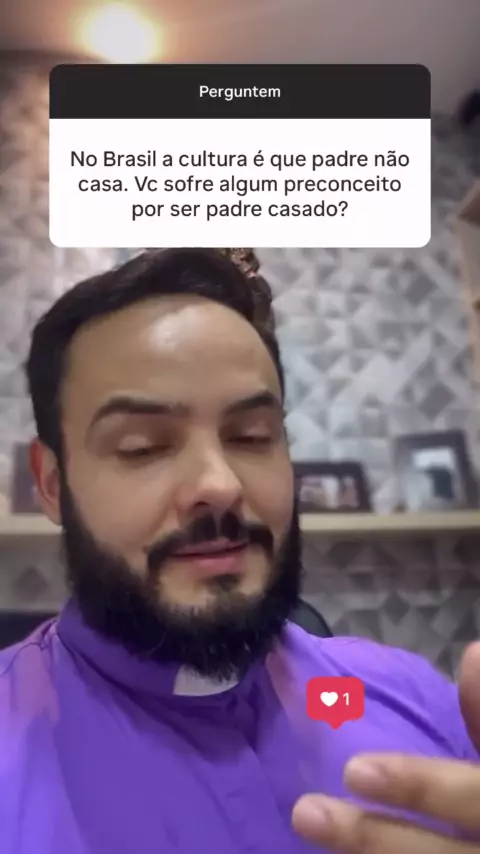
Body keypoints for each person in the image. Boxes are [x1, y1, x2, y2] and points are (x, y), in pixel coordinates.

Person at [1, 248, 479, 854]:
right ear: (51, 484)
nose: (221, 485)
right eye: (144, 446)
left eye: (252, 437)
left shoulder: (416, 700)